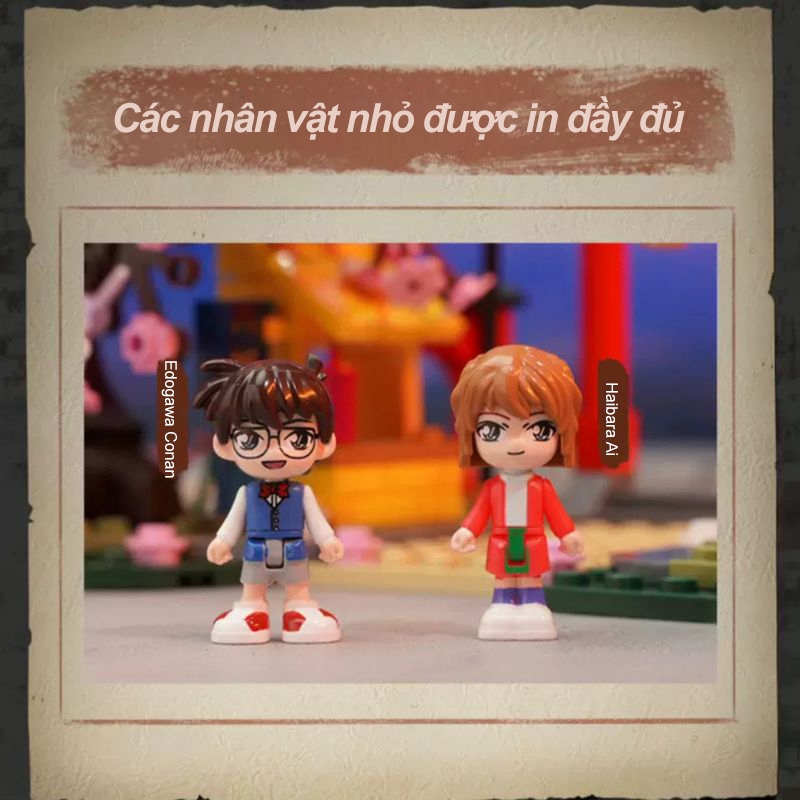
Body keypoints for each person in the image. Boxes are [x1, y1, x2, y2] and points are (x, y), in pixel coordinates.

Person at [193, 355, 345, 645]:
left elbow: (317, 522)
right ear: (225, 446)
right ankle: (252, 613)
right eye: (251, 439)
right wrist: (222, 541)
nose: (274, 452)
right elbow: (233, 522)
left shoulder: (302, 494)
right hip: (256, 550)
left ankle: (299, 612)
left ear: (324, 444)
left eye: (298, 438)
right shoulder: (247, 493)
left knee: (298, 587)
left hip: (294, 549)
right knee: (252, 586)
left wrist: (327, 540)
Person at [449, 344, 583, 640]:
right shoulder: (493, 487)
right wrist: (467, 531)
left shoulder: (541, 487)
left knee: (531, 577)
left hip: (533, 539)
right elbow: (479, 513)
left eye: (539, 430)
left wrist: (567, 534)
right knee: (504, 577)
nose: (516, 443)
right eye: (493, 430)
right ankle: (502, 605)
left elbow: (556, 514)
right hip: (501, 540)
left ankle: (534, 606)